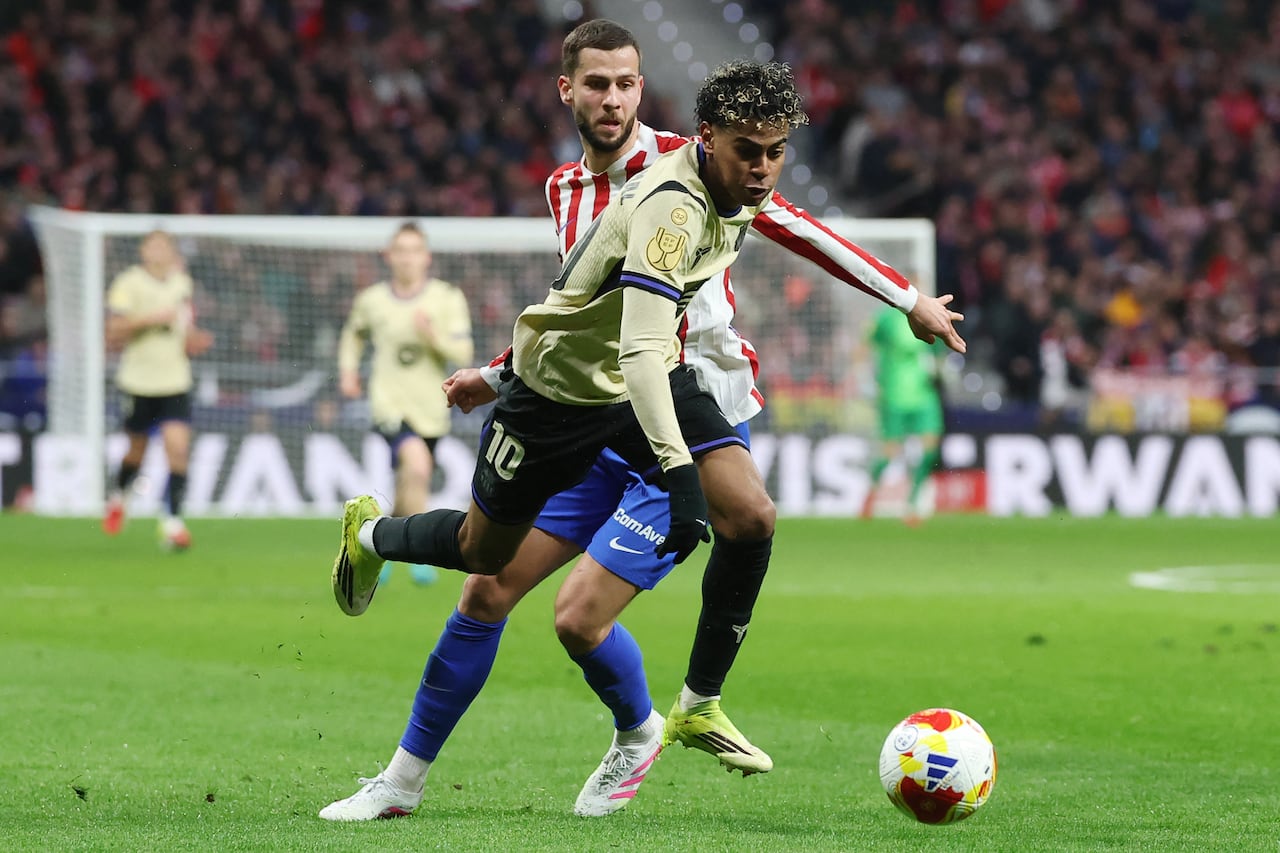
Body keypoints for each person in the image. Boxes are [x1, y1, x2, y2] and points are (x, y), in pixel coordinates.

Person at [322, 24, 964, 823]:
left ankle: (682, 710)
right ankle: (406, 780)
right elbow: (580, 310)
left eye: (627, 83)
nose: (614, 99)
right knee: (486, 586)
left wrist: (907, 298)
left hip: (686, 409)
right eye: (597, 85)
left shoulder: (702, 161)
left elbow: (796, 225)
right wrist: (495, 375)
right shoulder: (565, 190)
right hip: (596, 410)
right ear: (569, 91)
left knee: (590, 609)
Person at [337, 222, 474, 586]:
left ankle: (374, 544)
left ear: (426, 258)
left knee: (408, 480)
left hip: (431, 407)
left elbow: (463, 352)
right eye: (401, 250)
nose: (408, 259)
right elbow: (353, 335)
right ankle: (415, 554)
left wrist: (433, 336)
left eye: (415, 251)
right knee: (417, 466)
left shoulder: (446, 298)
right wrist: (348, 371)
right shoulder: (372, 300)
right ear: (389, 256)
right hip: (388, 403)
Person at [102, 230, 213, 549]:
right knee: (136, 450)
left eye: (163, 246)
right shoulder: (128, 283)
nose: (158, 251)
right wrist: (152, 319)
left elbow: (184, 329)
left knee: (177, 449)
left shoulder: (182, 284)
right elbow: (113, 330)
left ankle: (173, 522)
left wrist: (194, 339)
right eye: (152, 245)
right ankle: (119, 497)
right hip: (138, 380)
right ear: (143, 250)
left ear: (171, 251)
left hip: (175, 380)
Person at [860, 304, 946, 524]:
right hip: (894, 396)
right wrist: (868, 378)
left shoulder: (930, 317)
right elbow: (865, 347)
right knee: (890, 453)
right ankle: (871, 493)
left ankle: (913, 504)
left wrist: (939, 371)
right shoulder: (887, 319)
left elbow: (939, 354)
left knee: (929, 450)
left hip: (925, 397)